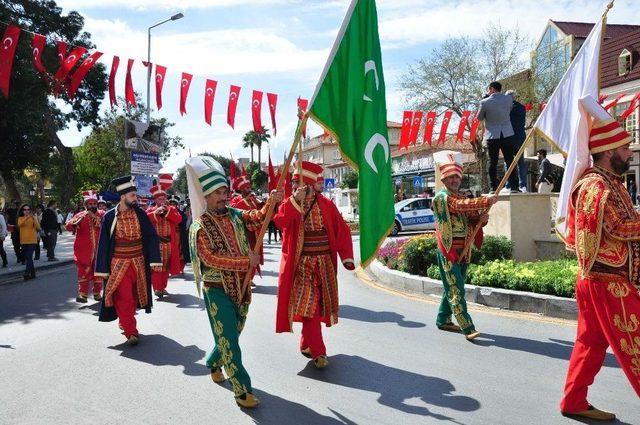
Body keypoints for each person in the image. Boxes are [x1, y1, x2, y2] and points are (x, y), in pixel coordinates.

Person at [560, 97, 640, 421]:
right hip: (606, 283)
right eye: (625, 149)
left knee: (590, 345)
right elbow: (617, 226)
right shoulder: (596, 185)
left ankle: (574, 401)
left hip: (601, 281)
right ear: (609, 152)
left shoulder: (611, 183)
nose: (630, 153)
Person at [186, 156, 282, 409]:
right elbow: (209, 258)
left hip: (242, 288)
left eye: (224, 192)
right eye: (217, 193)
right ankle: (242, 390)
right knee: (230, 340)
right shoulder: (199, 226)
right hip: (216, 289)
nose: (222, 197)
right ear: (206, 196)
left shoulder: (235, 214)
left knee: (230, 336)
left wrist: (271, 202)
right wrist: (244, 261)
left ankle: (213, 361)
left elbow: (257, 217)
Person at [273, 162, 355, 369]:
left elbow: (341, 229)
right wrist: (294, 201)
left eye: (298, 184)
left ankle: (306, 343)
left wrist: (346, 257)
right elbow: (280, 222)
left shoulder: (327, 205)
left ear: (309, 185)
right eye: (293, 184)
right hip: (301, 265)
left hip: (324, 264)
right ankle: (319, 352)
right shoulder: (290, 203)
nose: (294, 187)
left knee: (317, 307)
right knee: (308, 306)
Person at [432, 152, 497, 340]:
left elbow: (470, 219)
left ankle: (443, 319)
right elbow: (459, 206)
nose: (454, 180)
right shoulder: (442, 198)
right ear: (444, 179)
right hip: (449, 251)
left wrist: (481, 219)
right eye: (451, 177)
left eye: (457, 177)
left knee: (452, 286)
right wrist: (485, 200)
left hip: (464, 250)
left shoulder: (459, 196)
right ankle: (467, 327)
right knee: (456, 289)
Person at [94, 176, 162, 346]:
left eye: (135, 195)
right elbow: (103, 243)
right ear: (123, 196)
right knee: (125, 297)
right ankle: (131, 332)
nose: (135, 199)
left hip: (138, 261)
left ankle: (125, 321)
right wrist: (102, 268)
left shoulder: (140, 214)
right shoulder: (110, 217)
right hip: (119, 262)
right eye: (132, 196)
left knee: (134, 296)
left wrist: (154, 259)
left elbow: (151, 236)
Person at [477, 81, 519, 193]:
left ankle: (493, 188)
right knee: (510, 160)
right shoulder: (509, 99)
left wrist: (485, 104)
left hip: (492, 135)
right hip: (507, 133)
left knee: (493, 162)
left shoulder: (484, 102)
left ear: (491, 89)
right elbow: (509, 110)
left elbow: (479, 117)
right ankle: (514, 186)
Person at [66, 191, 105, 303]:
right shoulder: (80, 215)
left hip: (99, 250)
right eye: (89, 204)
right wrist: (76, 222)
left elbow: (103, 225)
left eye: (94, 203)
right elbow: (68, 227)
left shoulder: (102, 213)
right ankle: (82, 295)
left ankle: (97, 293)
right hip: (84, 250)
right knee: (83, 271)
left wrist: (94, 217)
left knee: (98, 272)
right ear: (86, 205)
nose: (92, 205)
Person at [146, 184, 182, 299]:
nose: (162, 200)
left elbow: (179, 220)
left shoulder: (171, 209)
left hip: (169, 243)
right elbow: (145, 220)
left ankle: (162, 287)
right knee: (157, 266)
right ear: (155, 199)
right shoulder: (151, 210)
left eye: (163, 198)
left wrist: (167, 211)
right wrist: (156, 213)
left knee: (166, 267)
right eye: (160, 199)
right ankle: (157, 288)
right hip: (156, 244)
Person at [505, 89, 528, 192]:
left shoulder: (506, 108)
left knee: (508, 161)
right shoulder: (522, 107)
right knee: (520, 161)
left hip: (510, 137)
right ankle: (523, 185)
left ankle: (508, 185)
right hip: (521, 137)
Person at [17, 204, 40, 280]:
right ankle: (33, 273)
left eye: (28, 209)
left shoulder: (33, 217)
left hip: (32, 240)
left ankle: (27, 273)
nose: (26, 211)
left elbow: (38, 227)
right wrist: (26, 218)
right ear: (22, 211)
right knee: (28, 257)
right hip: (24, 241)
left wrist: (34, 218)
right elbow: (20, 225)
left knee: (29, 256)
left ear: (30, 210)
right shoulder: (20, 218)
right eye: (25, 209)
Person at [168, 194, 190, 273]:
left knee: (180, 251)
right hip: (169, 235)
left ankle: (181, 267)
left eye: (174, 204)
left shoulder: (181, 213)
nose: (173, 205)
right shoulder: (165, 212)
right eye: (171, 204)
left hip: (180, 235)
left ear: (177, 205)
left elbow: (183, 224)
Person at [5, 200, 23, 264]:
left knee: (20, 246)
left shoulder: (23, 212)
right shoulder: (11, 210)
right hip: (15, 230)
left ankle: (20, 257)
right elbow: (6, 212)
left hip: (21, 230)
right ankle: (19, 257)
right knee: (16, 246)